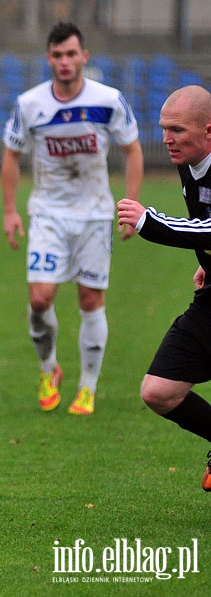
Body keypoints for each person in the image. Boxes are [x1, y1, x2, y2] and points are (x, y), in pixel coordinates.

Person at [1, 21, 143, 415]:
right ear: (49, 58)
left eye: (71, 54)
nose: (64, 61)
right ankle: (49, 369)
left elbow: (133, 150)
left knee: (90, 299)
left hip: (95, 216)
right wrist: (10, 210)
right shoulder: (30, 104)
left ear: (84, 57)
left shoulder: (109, 100)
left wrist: (132, 207)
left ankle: (88, 386)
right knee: (40, 297)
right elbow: (11, 156)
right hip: (48, 214)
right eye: (57, 55)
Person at [117, 85, 211, 491]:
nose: (166, 139)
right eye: (163, 129)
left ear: (209, 130)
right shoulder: (188, 161)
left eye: (177, 130)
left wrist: (148, 222)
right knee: (159, 392)